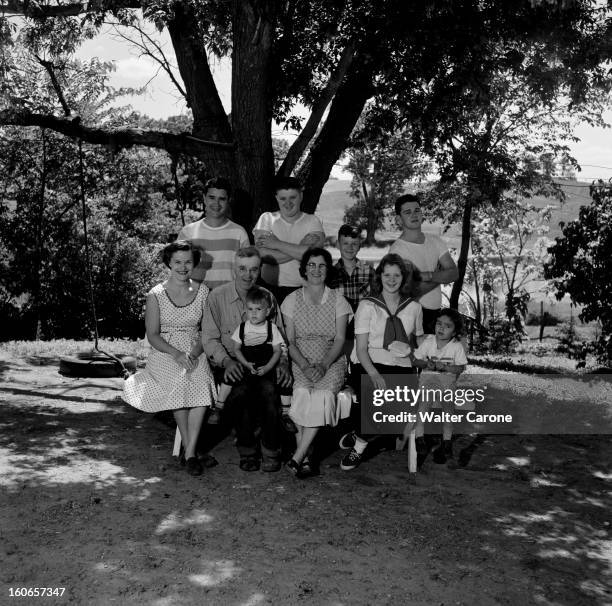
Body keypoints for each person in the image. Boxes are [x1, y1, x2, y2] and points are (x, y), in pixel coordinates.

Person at [123, 241, 216, 477]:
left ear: (194, 263)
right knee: (180, 381)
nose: (183, 267)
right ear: (169, 264)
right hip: (166, 350)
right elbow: (153, 335)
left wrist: (194, 353)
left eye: (188, 262)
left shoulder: (203, 291)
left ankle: (190, 450)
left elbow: (206, 331)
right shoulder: (156, 294)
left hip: (195, 347)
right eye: (177, 262)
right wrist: (176, 354)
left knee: (201, 383)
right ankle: (193, 453)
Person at [202, 247, 292, 472]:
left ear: (259, 270)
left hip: (264, 362)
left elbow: (280, 339)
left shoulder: (267, 297)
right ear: (234, 268)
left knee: (270, 389)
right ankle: (247, 449)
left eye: (253, 269)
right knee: (240, 390)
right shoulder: (217, 296)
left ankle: (271, 448)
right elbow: (210, 339)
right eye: (242, 268)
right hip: (231, 362)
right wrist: (226, 361)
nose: (247, 275)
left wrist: (282, 363)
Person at [339, 254, 424, 471]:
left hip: (402, 364)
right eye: (387, 274)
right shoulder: (367, 305)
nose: (392, 279)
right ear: (380, 277)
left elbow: (420, 341)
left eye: (397, 275)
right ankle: (359, 446)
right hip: (369, 363)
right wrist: (375, 375)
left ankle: (359, 431)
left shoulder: (414, 307)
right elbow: (360, 349)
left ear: (404, 278)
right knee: (374, 392)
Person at [281, 248, 352, 478]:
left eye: (322, 265)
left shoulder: (338, 300)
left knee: (321, 396)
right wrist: (303, 365)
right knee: (301, 395)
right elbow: (290, 341)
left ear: (328, 270)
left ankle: (298, 456)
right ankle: (307, 457)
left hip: (330, 358)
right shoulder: (291, 300)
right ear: (304, 269)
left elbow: (340, 339)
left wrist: (323, 365)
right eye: (311, 265)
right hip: (301, 357)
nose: (316, 270)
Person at [389, 194, 458, 334]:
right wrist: (439, 277)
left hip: (436, 312)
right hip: (411, 314)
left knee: (435, 354)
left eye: (417, 210)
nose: (414, 215)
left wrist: (423, 276)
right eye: (407, 212)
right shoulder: (397, 251)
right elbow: (410, 293)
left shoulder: (435, 241)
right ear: (398, 219)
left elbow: (454, 273)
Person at [408, 308, 467, 466]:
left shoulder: (456, 347)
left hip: (447, 384)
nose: (441, 328)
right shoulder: (429, 342)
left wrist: (446, 368)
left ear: (454, 332)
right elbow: (416, 360)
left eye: (447, 326)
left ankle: (447, 443)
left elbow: (460, 368)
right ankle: (420, 439)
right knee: (423, 407)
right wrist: (427, 363)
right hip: (428, 382)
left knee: (448, 412)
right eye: (439, 324)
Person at [253, 176, 325, 304]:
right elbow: (264, 255)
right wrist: (301, 247)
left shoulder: (313, 221)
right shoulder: (266, 218)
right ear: (276, 198)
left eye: (293, 197)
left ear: (301, 196)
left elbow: (312, 257)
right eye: (283, 198)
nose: (288, 203)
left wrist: (276, 244)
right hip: (268, 290)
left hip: (304, 291)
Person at [215, 286, 284, 408]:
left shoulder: (272, 328)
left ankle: (285, 411)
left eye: (258, 309)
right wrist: (246, 364)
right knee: (230, 377)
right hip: (246, 363)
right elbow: (236, 349)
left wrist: (268, 367)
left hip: (265, 365)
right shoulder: (242, 327)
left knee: (277, 384)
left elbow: (277, 351)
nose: (254, 313)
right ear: (245, 311)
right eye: (250, 309)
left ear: (267, 311)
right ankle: (219, 405)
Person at [178, 177, 249, 289]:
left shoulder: (239, 233)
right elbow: (179, 269)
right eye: (212, 197)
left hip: (228, 297)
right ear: (204, 198)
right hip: (195, 298)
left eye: (222, 199)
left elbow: (246, 270)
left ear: (228, 200)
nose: (216, 203)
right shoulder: (188, 232)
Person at [329, 224, 375, 312]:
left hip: (364, 322)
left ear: (359, 246)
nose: (350, 247)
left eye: (354, 244)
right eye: (345, 243)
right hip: (340, 323)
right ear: (338, 245)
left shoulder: (369, 272)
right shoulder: (331, 274)